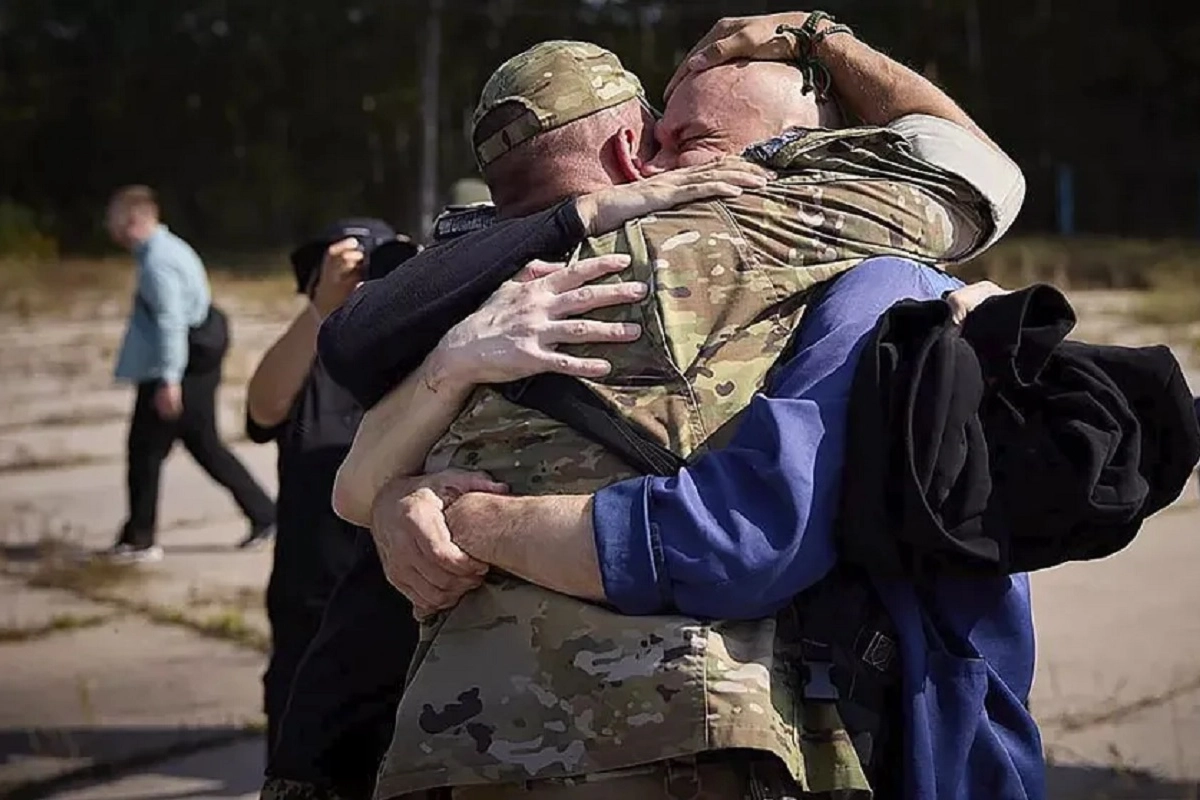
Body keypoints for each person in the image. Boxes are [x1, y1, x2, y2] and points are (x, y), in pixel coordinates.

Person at [269, 12, 1023, 800]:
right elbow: (977, 173)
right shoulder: (750, 228)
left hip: (452, 742)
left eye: (686, 137)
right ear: (630, 150)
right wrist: (818, 35)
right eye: (662, 137)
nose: (665, 157)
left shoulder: (476, 299)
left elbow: (354, 483)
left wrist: (424, 492)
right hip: (674, 731)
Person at [372, 257, 1045, 800]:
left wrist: (472, 522)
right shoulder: (573, 283)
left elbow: (744, 539)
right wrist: (399, 497)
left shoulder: (882, 287)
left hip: (902, 750)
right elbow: (353, 480)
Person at [243, 219, 422, 752]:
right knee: (299, 746)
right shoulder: (311, 357)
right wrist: (321, 311)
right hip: (312, 597)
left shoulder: (422, 352)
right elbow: (263, 408)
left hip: (401, 602)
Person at [103, 185, 275, 563]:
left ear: (134, 219)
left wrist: (169, 379)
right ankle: (265, 515)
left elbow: (171, 322)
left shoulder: (157, 262)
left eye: (114, 219)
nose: (109, 228)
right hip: (189, 362)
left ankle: (140, 539)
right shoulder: (166, 249)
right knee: (200, 445)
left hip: (179, 368)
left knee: (146, 452)